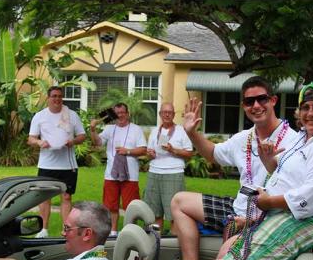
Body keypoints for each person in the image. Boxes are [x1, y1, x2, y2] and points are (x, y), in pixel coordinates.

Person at [146, 81, 313, 260]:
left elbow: (312, 197)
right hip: (261, 208)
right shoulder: (304, 139)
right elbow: (286, 174)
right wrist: (269, 163)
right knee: (225, 245)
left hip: (309, 215)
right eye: (305, 107)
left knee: (239, 257)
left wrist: (265, 206)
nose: (310, 113)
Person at [170, 76, 299, 260]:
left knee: (224, 257)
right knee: (179, 201)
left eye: (262, 99)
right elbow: (213, 154)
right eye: (249, 101)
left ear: (273, 100)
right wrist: (192, 133)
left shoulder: (293, 142)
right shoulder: (244, 138)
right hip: (238, 208)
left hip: (267, 218)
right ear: (243, 106)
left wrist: (250, 220)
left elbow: (294, 195)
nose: (256, 105)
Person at [28, 86, 87, 238]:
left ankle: (66, 230)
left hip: (68, 165)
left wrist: (73, 141)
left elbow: (82, 136)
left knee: (66, 197)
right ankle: (43, 230)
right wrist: (40, 142)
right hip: (46, 164)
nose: (57, 99)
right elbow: (31, 138)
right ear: (48, 98)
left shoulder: (72, 115)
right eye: (54, 96)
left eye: (60, 96)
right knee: (45, 197)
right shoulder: (40, 116)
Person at [89, 103, 147, 237]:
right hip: (111, 174)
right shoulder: (109, 129)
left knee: (131, 206)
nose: (120, 115)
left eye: (122, 112)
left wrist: (127, 151)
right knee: (111, 205)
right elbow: (98, 143)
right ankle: (113, 232)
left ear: (127, 114)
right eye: (117, 113)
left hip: (130, 175)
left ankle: (131, 232)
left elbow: (143, 150)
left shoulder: (136, 129)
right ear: (113, 115)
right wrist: (92, 130)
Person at [144, 103, 193, 233]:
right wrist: (150, 154)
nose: (167, 114)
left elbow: (189, 154)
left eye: (170, 112)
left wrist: (173, 150)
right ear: (160, 114)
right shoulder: (155, 131)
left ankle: (173, 242)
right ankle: (155, 241)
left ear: (173, 115)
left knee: (174, 214)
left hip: (173, 173)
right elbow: (149, 153)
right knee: (154, 212)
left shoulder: (181, 131)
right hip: (154, 172)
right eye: (164, 112)